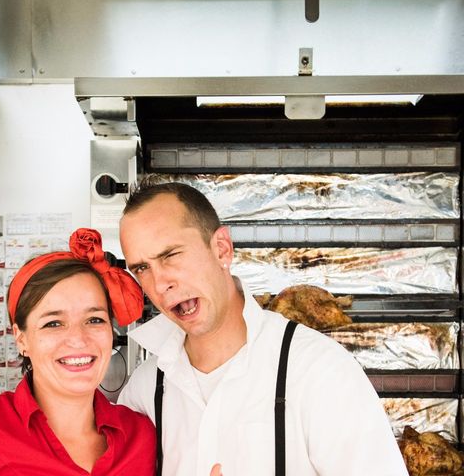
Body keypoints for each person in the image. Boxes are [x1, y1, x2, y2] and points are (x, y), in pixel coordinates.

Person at [117, 181, 408, 476]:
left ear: (222, 249)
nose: (159, 283)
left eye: (171, 255)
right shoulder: (142, 392)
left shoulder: (319, 372)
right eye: (142, 268)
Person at [0, 228, 156, 475]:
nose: (78, 339)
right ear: (21, 339)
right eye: (53, 323)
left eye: (94, 319)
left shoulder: (141, 436)